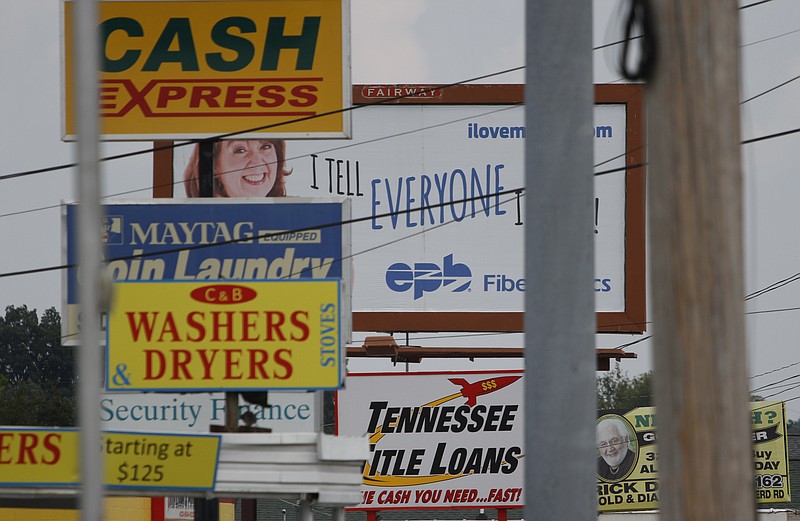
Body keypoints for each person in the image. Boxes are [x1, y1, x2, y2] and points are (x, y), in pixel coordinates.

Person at [183, 139, 292, 198]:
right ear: (214, 167)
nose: (257, 162)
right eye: (240, 150)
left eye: (265, 147)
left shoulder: (297, 212)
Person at [596, 416, 636, 481]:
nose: (610, 448)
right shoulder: (596, 465)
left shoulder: (635, 461)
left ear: (626, 439)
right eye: (603, 444)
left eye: (614, 441)